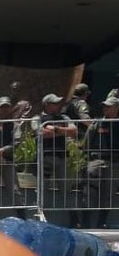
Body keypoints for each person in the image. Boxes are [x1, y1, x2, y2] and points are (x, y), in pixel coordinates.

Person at [33, 93, 80, 227]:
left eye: (59, 103)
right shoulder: (38, 118)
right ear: (47, 105)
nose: (58, 105)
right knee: (43, 190)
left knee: (66, 189)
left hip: (61, 157)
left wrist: (55, 128)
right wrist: (61, 131)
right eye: (55, 103)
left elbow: (74, 131)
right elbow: (41, 134)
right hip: (45, 158)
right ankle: (42, 220)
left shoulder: (64, 117)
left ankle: (73, 220)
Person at [83, 96, 119, 228]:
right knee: (90, 192)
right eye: (104, 106)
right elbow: (87, 141)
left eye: (109, 106)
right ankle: (86, 222)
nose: (106, 108)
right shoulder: (97, 123)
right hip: (97, 160)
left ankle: (101, 223)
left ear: (116, 108)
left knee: (109, 193)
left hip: (114, 163)